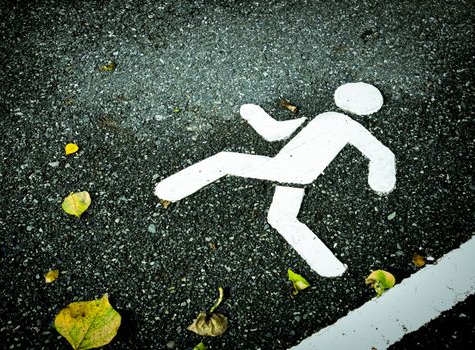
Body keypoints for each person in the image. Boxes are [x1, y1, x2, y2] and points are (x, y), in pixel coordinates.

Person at [155, 83, 396, 277]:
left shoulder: (333, 120)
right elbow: (379, 152)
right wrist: (380, 180)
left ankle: (171, 189)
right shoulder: (334, 121)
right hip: (298, 175)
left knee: (226, 160)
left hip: (286, 166)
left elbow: (275, 131)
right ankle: (328, 266)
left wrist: (254, 115)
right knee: (281, 217)